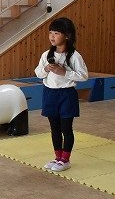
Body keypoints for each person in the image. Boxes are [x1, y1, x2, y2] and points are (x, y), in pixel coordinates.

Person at [35, 17, 88, 172]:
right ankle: (58, 157)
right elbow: (38, 73)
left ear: (67, 35)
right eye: (50, 33)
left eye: (56, 33)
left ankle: (65, 159)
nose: (52, 36)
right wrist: (46, 69)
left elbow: (84, 76)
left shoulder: (74, 56)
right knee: (54, 128)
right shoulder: (46, 55)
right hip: (49, 94)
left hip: (66, 94)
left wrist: (64, 72)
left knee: (66, 128)